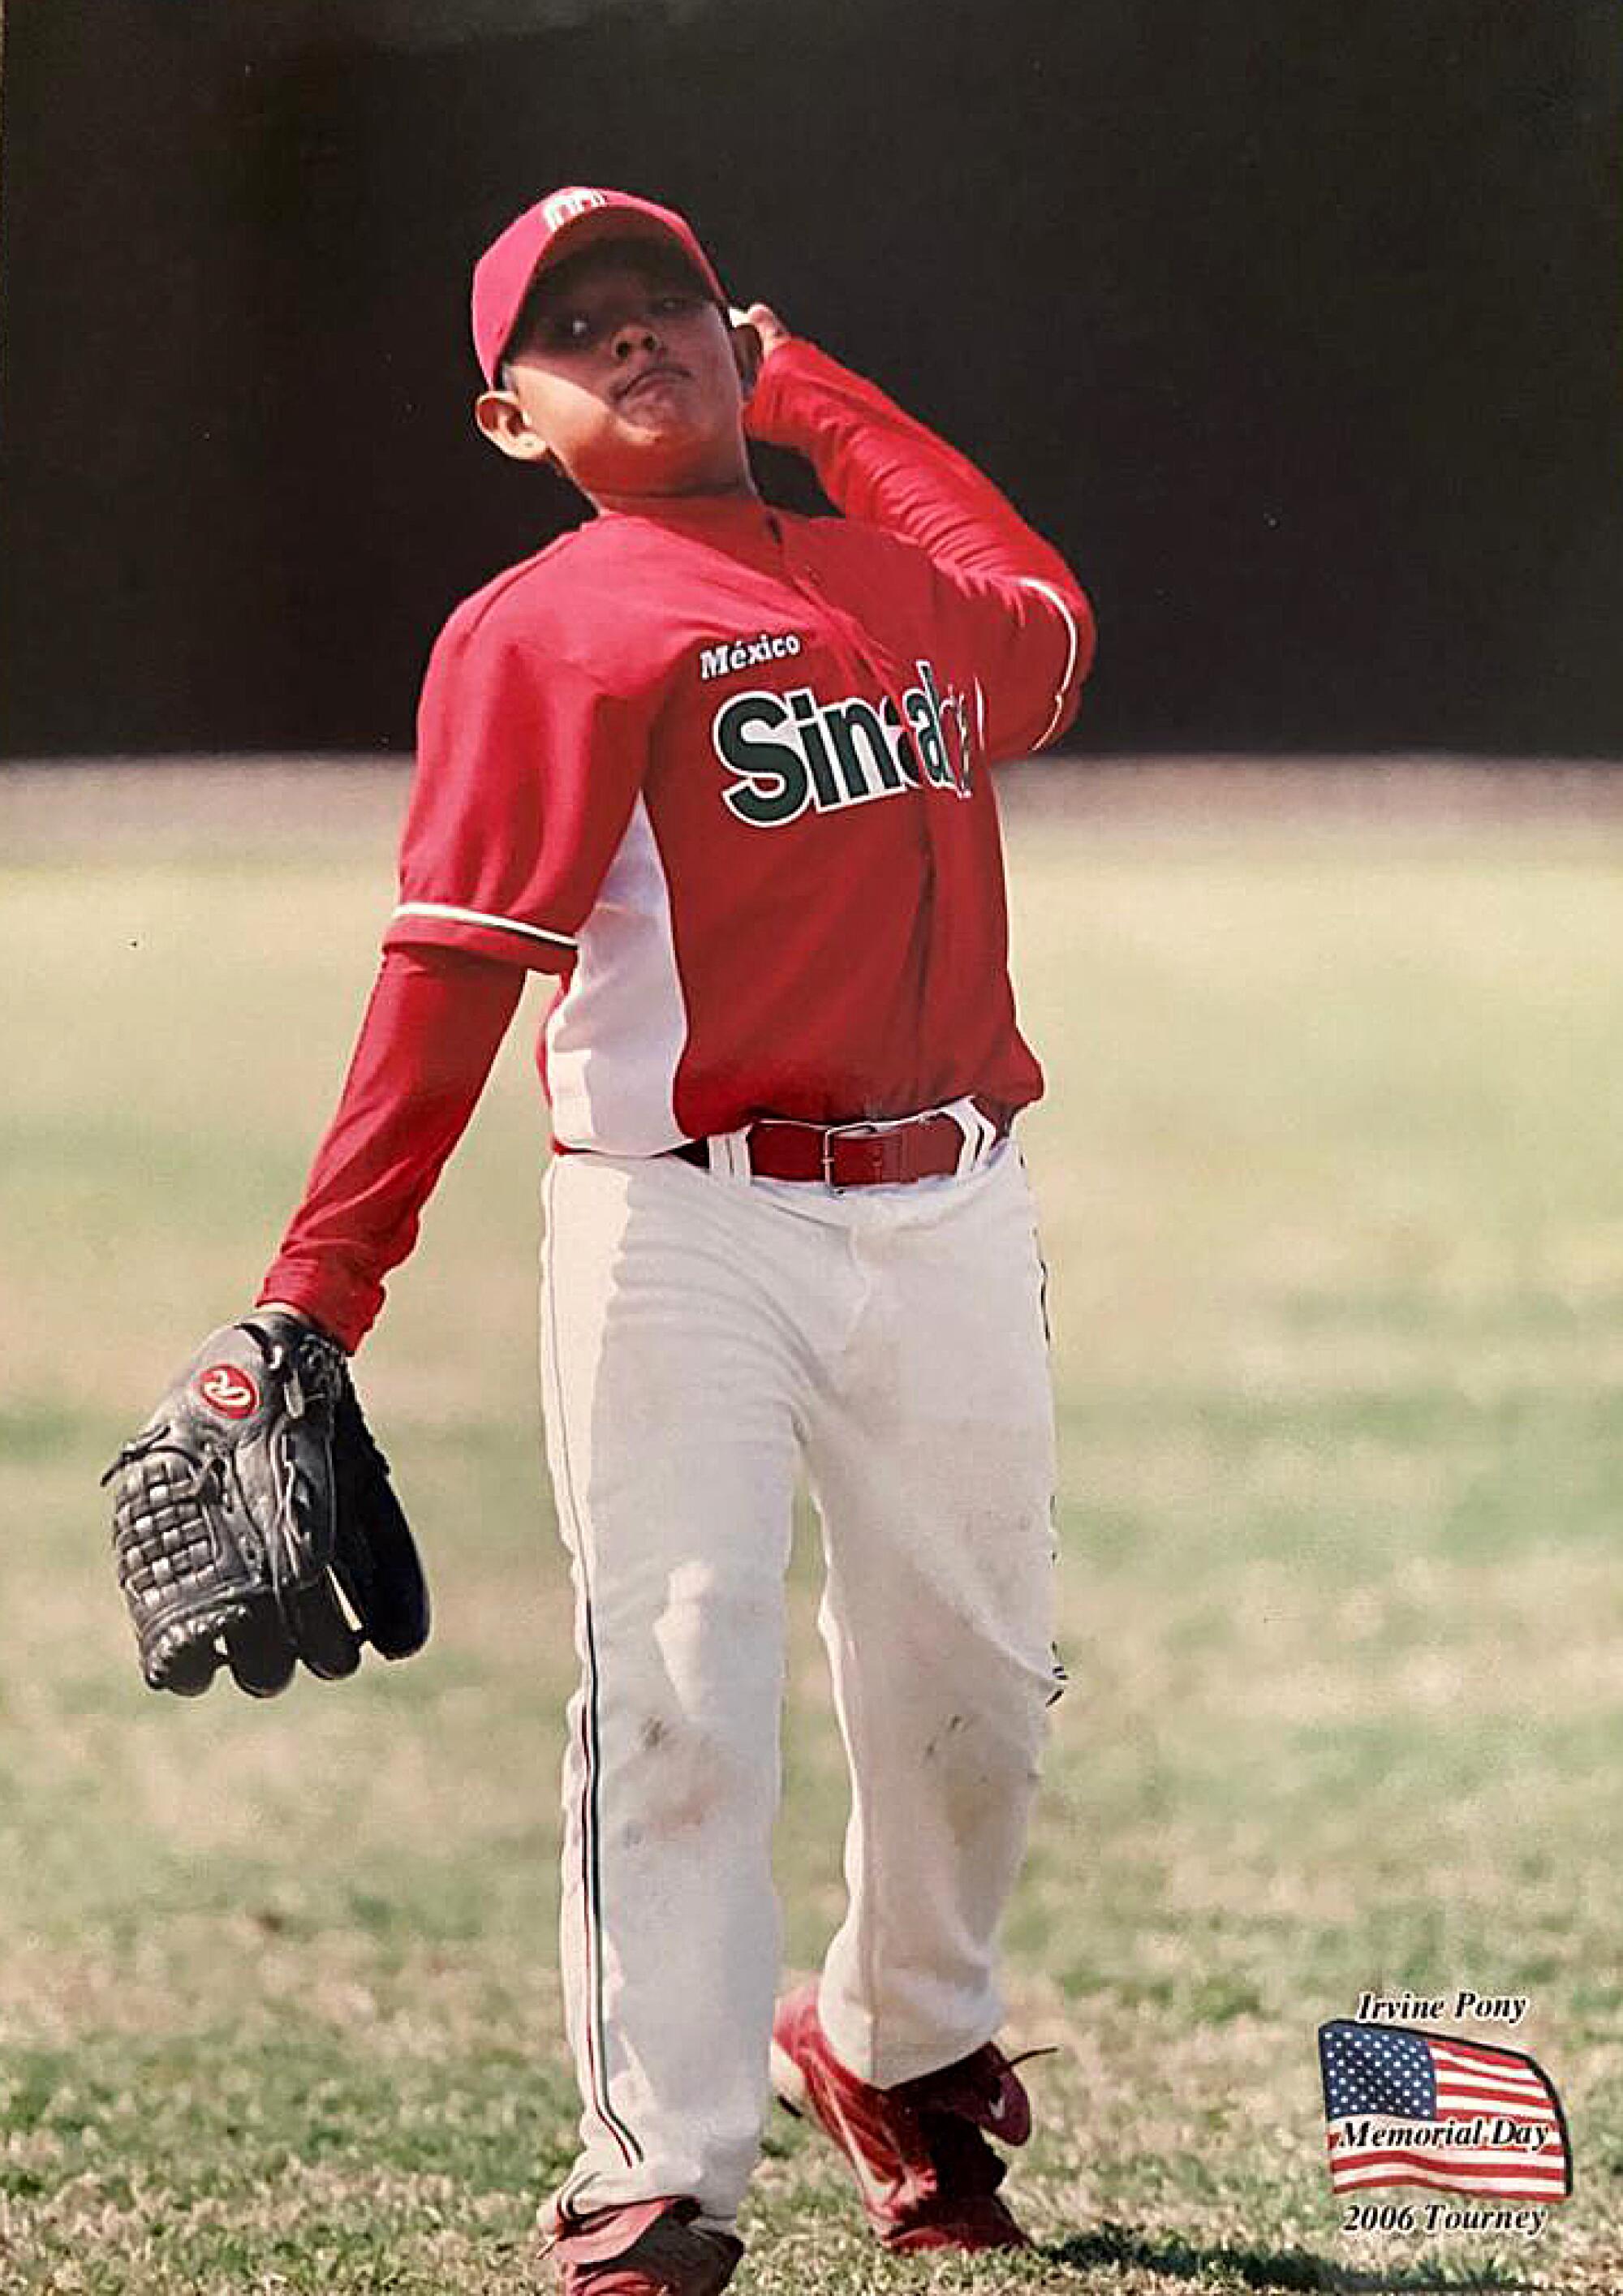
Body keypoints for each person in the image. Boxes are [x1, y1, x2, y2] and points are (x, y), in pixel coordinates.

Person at [256, 184, 1094, 2296]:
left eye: (670, 304)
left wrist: (833, 400)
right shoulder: (546, 630)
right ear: (509, 420)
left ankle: (897, 2047)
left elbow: (1044, 625)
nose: (639, 338)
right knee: (684, 1683)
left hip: (955, 1203)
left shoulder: (891, 589)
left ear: (741, 335)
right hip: (683, 1226)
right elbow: (450, 970)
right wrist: (318, 1289)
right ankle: (662, 2168)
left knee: (979, 1694)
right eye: (579, 330)